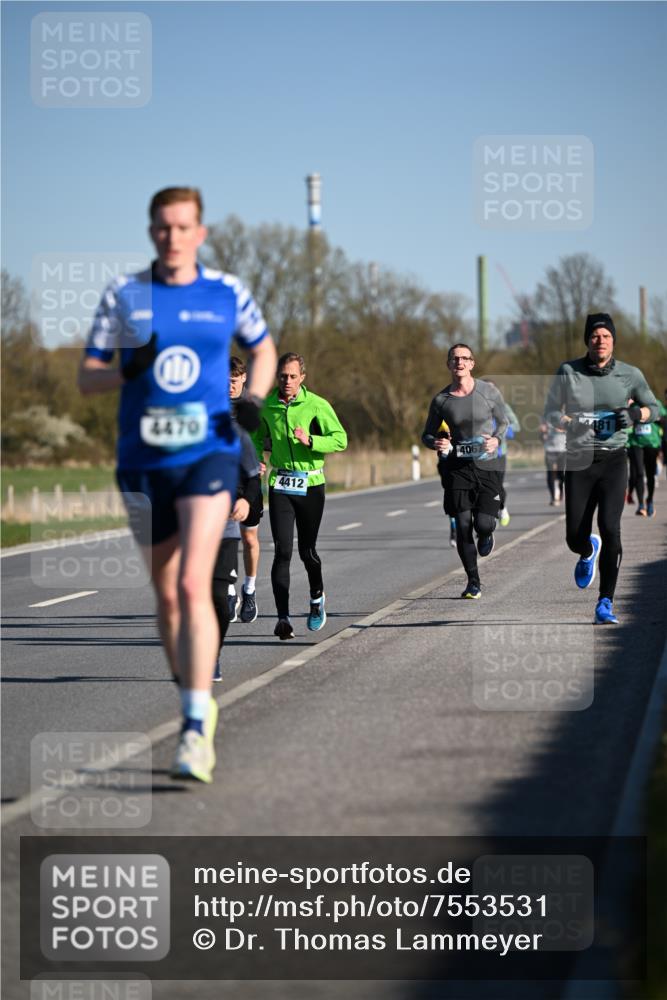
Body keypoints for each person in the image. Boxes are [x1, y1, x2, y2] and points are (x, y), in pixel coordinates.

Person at [78, 186, 276, 783]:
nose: (172, 237)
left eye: (183, 226)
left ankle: (194, 725)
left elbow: (262, 351)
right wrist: (124, 369)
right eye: (162, 227)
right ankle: (195, 702)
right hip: (142, 460)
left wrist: (255, 401)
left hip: (208, 454)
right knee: (166, 596)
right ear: (151, 231)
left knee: (195, 581)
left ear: (201, 232)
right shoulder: (125, 294)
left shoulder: (226, 292)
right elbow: (88, 378)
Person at [543, 312, 658, 624]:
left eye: (606, 335)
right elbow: (551, 413)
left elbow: (657, 407)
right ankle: (585, 549)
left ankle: (605, 602)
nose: (600, 340)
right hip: (579, 461)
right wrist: (572, 422)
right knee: (573, 536)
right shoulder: (568, 371)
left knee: (611, 528)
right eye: (595, 335)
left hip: (614, 460)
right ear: (587, 340)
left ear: (613, 341)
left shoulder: (630, 375)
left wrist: (636, 415)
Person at [252, 352, 348, 639]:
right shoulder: (267, 406)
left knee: (307, 551)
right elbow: (256, 437)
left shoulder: (317, 405)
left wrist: (312, 441)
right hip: (280, 483)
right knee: (282, 551)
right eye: (283, 376)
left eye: (293, 376)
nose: (288, 381)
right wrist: (258, 458)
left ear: (302, 378)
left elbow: (340, 439)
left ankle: (317, 599)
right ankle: (282, 618)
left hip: (311, 485)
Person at [422, 344, 509, 599]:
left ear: (472, 363)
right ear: (448, 364)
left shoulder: (488, 391)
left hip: (486, 465)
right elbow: (427, 434)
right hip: (456, 468)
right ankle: (473, 582)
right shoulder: (441, 400)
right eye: (454, 359)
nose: (459, 362)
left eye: (464, 358)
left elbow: (503, 422)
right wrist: (437, 443)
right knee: (461, 526)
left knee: (482, 523)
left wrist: (496, 440)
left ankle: (486, 534)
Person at [211, 423, 262, 681]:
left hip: (224, 528)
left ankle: (212, 655)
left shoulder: (236, 434)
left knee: (220, 598)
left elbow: (253, 478)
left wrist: (244, 500)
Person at [227, 356, 264, 623]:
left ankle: (249, 590)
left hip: (249, 481)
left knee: (249, 539)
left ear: (243, 379)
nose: (228, 386)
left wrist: (266, 461)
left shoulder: (255, 407)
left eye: (233, 381)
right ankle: (228, 591)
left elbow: (274, 436)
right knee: (225, 541)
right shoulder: (213, 405)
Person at [484, 380, 520, 526]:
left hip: (499, 453)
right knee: (482, 487)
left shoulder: (504, 407)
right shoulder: (475, 407)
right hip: (481, 454)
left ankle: (502, 507)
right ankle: (486, 517)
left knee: (497, 485)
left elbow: (516, 425)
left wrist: (502, 432)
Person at [626, 398, 665, 517]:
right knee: (638, 473)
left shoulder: (656, 403)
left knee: (650, 474)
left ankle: (650, 500)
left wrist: (657, 418)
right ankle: (641, 505)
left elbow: (664, 418)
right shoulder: (633, 406)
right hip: (636, 442)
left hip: (652, 443)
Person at [539, 420, 567, 505]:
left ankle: (560, 493)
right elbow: (541, 437)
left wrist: (563, 429)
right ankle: (553, 497)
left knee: (561, 474)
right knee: (550, 473)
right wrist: (542, 432)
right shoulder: (545, 417)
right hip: (550, 450)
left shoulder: (566, 416)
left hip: (563, 449)